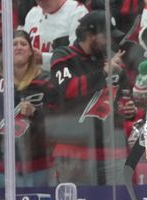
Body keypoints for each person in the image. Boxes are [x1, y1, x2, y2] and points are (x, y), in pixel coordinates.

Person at [49, 10, 136, 185]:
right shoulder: (64, 56)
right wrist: (103, 72)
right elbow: (66, 90)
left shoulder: (111, 60)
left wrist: (129, 109)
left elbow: (123, 97)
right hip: (75, 153)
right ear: (90, 35)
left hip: (113, 151)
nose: (111, 41)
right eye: (106, 36)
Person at [0, 30, 56, 187]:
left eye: (23, 44)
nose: (19, 47)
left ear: (31, 51)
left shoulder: (46, 80)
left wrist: (35, 112)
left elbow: (57, 119)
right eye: (14, 44)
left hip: (38, 164)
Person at [24, 0, 88, 70]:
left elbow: (78, 56)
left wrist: (44, 58)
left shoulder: (77, 11)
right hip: (33, 77)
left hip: (64, 77)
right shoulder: (33, 13)